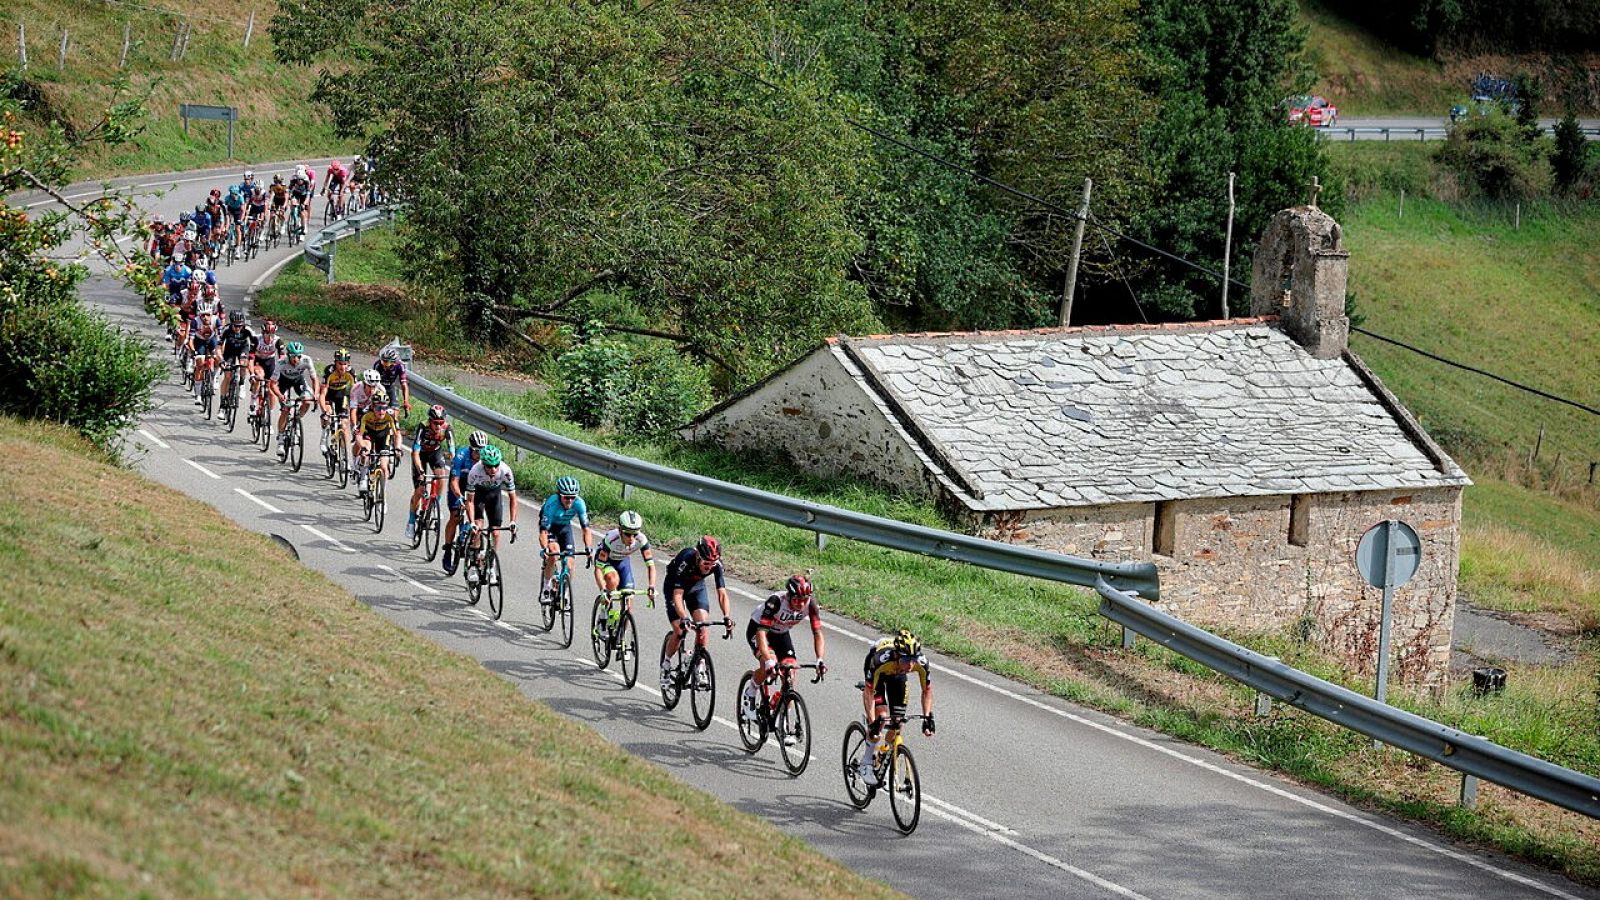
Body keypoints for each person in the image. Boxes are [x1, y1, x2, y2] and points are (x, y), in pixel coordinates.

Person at [742, 574, 826, 733]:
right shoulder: (776, 602)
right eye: (797, 600)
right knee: (769, 663)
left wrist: (820, 659)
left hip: (781, 634)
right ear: (789, 596)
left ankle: (783, 721)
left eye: (804, 599)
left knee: (791, 674)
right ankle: (751, 690)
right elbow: (761, 633)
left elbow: (817, 633)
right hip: (759, 630)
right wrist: (768, 660)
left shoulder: (811, 604)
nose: (801, 604)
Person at [857, 629, 935, 786]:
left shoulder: (920, 663)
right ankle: (865, 763)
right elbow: (868, 692)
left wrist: (927, 717)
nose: (911, 664)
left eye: (914, 659)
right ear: (897, 655)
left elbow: (926, 690)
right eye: (906, 660)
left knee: (898, 722)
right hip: (880, 673)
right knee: (882, 718)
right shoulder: (881, 659)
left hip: (897, 676)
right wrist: (872, 722)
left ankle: (884, 755)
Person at [660, 535, 732, 687]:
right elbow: (678, 595)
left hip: (696, 588)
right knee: (680, 630)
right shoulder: (686, 560)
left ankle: (699, 665)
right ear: (698, 556)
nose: (709, 567)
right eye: (706, 563)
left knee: (702, 626)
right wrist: (684, 617)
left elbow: (722, 593)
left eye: (712, 564)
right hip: (675, 587)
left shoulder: (716, 565)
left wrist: (727, 616)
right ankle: (666, 664)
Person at [462, 445, 517, 579]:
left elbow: (513, 499)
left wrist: (513, 521)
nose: (493, 470)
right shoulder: (474, 471)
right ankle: (474, 565)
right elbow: (469, 501)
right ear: (483, 464)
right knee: (478, 527)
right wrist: (471, 522)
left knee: (496, 533)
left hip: (494, 495)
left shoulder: (505, 471)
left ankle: (491, 565)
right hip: (478, 495)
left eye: (495, 466)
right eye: (489, 466)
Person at [537, 475, 593, 603]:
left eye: (573, 497)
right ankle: (545, 589)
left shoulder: (579, 503)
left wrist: (588, 548)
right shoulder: (552, 504)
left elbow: (586, 530)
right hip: (550, 527)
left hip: (565, 528)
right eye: (566, 497)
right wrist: (545, 549)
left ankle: (565, 593)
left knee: (570, 563)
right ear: (559, 495)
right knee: (554, 552)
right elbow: (543, 531)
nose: (570, 500)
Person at [592, 509, 656, 614]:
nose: (631, 538)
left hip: (622, 561)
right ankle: (604, 612)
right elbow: (598, 569)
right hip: (607, 561)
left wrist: (652, 586)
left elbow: (651, 566)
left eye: (634, 534)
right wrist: (602, 589)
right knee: (612, 580)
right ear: (620, 530)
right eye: (628, 534)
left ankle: (623, 629)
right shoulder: (611, 539)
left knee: (629, 605)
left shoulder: (642, 540)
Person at [442, 430, 489, 575]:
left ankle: (474, 558)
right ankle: (448, 549)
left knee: (478, 520)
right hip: (459, 485)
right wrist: (459, 497)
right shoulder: (461, 456)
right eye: (476, 451)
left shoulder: (486, 459)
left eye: (482, 451)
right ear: (471, 449)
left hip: (475, 487)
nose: (479, 455)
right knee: (455, 516)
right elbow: (454, 482)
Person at [406, 404, 454, 541]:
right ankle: (411, 521)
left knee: (441, 476)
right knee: (420, 490)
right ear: (430, 421)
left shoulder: (447, 429)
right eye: (435, 423)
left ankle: (435, 504)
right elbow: (414, 452)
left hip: (435, 453)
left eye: (441, 423)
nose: (438, 426)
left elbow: (452, 451)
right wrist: (420, 471)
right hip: (420, 454)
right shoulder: (423, 427)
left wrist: (453, 461)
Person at [353, 386, 401, 494]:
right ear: (373, 407)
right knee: (367, 451)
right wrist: (363, 447)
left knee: (384, 466)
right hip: (368, 433)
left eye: (384, 408)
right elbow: (359, 435)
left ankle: (382, 495)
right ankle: (363, 478)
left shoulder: (390, 415)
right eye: (378, 408)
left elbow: (397, 434)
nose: (382, 411)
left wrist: (397, 448)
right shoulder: (366, 414)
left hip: (383, 436)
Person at [273, 342, 320, 451]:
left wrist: (316, 393)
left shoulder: (306, 360)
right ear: (288, 355)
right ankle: (280, 440)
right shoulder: (281, 362)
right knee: (285, 409)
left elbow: (314, 379)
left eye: (298, 356)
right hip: (283, 382)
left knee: (307, 401)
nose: (296, 359)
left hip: (298, 380)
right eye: (293, 356)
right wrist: (279, 395)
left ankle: (296, 419)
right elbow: (272, 384)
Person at [318, 348, 357, 455]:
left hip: (342, 395)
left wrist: (354, 407)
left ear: (348, 363)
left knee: (344, 425)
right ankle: (324, 436)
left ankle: (344, 455)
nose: (342, 367)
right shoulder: (329, 371)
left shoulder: (351, 372)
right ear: (335, 362)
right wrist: (324, 411)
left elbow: (355, 391)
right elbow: (322, 394)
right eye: (340, 363)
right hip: (329, 395)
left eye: (345, 364)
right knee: (328, 415)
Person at [217, 311, 255, 410]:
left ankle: (242, 384)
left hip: (243, 348)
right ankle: (222, 404)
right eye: (235, 326)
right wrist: (221, 360)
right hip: (230, 350)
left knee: (243, 363)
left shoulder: (247, 330)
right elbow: (218, 347)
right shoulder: (226, 329)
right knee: (227, 376)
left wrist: (251, 356)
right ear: (231, 323)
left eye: (240, 326)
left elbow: (256, 343)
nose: (238, 328)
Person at [248, 319, 284, 421]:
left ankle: (268, 415)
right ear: (263, 333)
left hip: (269, 363)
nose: (270, 336)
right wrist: (251, 374)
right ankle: (253, 402)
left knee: (272, 390)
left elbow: (282, 359)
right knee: (259, 376)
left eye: (272, 334)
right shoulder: (256, 339)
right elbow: (250, 359)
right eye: (267, 334)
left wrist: (281, 373)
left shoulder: (278, 341)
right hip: (258, 362)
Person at [373, 346, 410, 413]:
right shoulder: (377, 364)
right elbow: (373, 383)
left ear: (394, 363)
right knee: (376, 406)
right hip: (378, 386)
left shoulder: (400, 366)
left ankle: (395, 421)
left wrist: (406, 401)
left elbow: (404, 385)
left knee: (395, 409)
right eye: (383, 361)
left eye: (386, 363)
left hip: (390, 387)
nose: (384, 366)